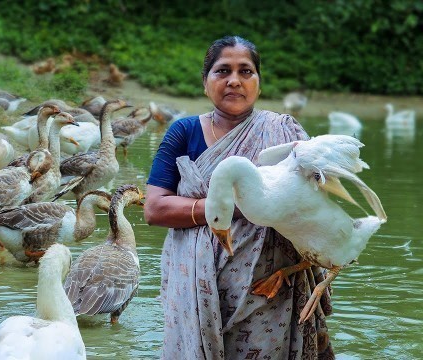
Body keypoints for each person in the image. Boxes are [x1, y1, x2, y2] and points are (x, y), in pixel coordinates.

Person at [143, 35, 335, 359]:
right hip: (195, 284)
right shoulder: (184, 131)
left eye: (246, 71)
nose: (234, 81)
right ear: (206, 83)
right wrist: (232, 207)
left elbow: (316, 201)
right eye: (222, 71)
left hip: (270, 288)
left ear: (258, 83)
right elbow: (155, 208)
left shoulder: (284, 133)